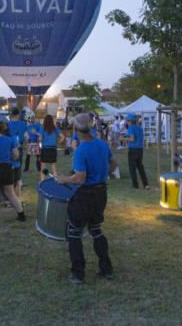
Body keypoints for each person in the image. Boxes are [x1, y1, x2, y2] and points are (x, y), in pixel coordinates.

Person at [56, 113, 117, 284]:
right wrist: (104, 174)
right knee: (95, 229)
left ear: (75, 129)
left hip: (85, 196)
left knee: (74, 232)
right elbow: (114, 163)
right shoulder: (102, 144)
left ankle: (78, 274)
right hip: (101, 193)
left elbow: (80, 179)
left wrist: (64, 179)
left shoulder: (81, 150)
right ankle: (106, 269)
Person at [119, 114, 149, 190]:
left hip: (133, 149)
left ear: (129, 121)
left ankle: (135, 185)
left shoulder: (131, 128)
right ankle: (146, 184)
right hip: (140, 149)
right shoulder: (139, 128)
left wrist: (123, 139)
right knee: (140, 167)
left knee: (132, 168)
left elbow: (132, 139)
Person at [39, 114, 64, 182]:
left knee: (43, 168)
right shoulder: (55, 129)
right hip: (53, 149)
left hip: (45, 149)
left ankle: (42, 183)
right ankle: (56, 182)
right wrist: (58, 143)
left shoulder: (42, 128)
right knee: (53, 168)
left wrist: (38, 140)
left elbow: (40, 138)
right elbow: (62, 137)